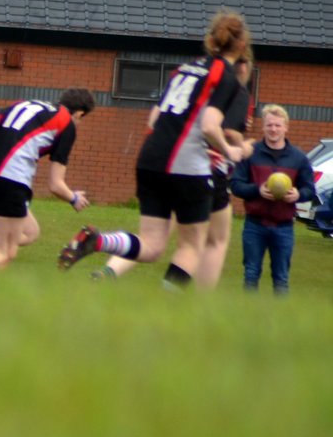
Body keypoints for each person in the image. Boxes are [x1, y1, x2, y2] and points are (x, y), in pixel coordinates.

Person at [58, 9, 247, 288]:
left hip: (150, 158)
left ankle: (98, 241)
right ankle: (167, 304)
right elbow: (210, 126)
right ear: (241, 44)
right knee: (191, 246)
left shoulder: (183, 70)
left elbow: (154, 119)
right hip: (186, 165)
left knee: (152, 245)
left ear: (211, 40)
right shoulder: (226, 77)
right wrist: (231, 152)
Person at [91, 54, 255, 284]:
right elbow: (228, 132)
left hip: (168, 161)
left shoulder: (189, 75)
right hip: (204, 168)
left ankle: (108, 270)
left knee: (154, 237)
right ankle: (196, 297)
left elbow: (154, 120)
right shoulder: (235, 88)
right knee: (213, 240)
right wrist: (244, 147)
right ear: (244, 65)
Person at [0, 88, 95, 272]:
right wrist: (74, 198)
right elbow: (55, 184)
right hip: (12, 177)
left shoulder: (28, 104)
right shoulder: (67, 124)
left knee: (30, 231)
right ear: (79, 113)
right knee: (5, 253)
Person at [230, 104, 317, 294]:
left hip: (284, 226)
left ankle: (280, 312)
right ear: (263, 127)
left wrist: (298, 195)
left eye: (278, 125)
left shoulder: (298, 158)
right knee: (251, 274)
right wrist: (257, 190)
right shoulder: (251, 153)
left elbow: (310, 189)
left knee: (281, 278)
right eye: (269, 125)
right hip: (255, 225)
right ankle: (247, 311)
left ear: (286, 127)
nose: (273, 129)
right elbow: (236, 185)